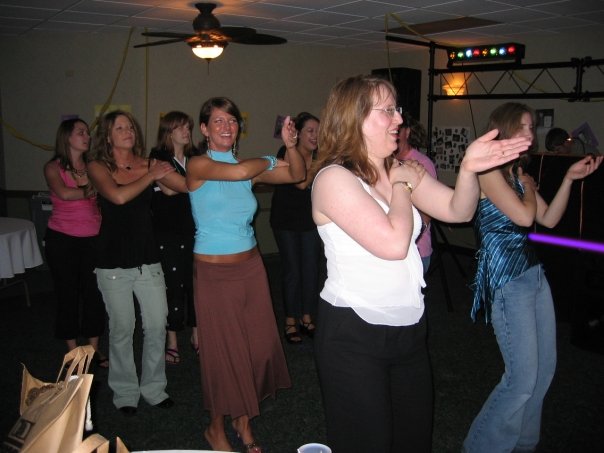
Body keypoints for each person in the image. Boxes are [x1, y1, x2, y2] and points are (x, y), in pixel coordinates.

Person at [310, 75, 531, 453]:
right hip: (353, 333)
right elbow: (394, 243)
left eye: (397, 108)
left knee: (413, 439)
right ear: (354, 118)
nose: (399, 118)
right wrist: (401, 185)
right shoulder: (334, 178)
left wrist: (469, 170)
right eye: (387, 111)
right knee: (366, 443)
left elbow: (458, 210)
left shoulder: (400, 169)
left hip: (409, 329)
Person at [463, 103, 602, 453]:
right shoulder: (489, 172)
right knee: (521, 379)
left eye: (531, 127)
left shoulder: (517, 173)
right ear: (504, 129)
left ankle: (525, 443)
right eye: (523, 126)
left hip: (533, 275)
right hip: (506, 282)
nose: (531, 133)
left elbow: (549, 218)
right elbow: (525, 218)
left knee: (544, 371)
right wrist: (526, 186)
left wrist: (568, 179)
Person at [186, 97, 304, 453]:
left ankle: (242, 419)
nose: (227, 126)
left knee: (258, 347)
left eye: (232, 120)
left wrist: (291, 146)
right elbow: (238, 174)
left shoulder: (246, 166)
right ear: (204, 129)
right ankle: (215, 427)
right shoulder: (198, 164)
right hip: (213, 273)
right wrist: (270, 158)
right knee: (223, 353)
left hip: (251, 267)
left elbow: (297, 175)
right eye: (218, 121)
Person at [88, 110, 184, 416]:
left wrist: (182, 163)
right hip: (112, 261)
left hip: (147, 257)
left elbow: (177, 187)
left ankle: (154, 388)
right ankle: (125, 392)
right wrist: (151, 176)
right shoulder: (98, 166)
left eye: (130, 126)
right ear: (107, 136)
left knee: (156, 324)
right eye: (120, 128)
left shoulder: (148, 164)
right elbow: (118, 197)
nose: (128, 131)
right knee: (122, 328)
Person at [43, 118, 108, 367]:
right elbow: (64, 193)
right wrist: (96, 188)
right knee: (66, 295)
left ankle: (93, 351)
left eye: (87, 132)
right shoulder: (53, 167)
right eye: (81, 132)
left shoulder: (93, 166)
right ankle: (72, 353)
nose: (87, 136)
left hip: (93, 239)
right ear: (67, 137)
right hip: (62, 240)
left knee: (95, 295)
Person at [150, 111, 198, 365]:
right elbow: (168, 190)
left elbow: (176, 186)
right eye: (180, 127)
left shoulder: (195, 156)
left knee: (195, 284)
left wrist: (185, 181)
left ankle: (197, 334)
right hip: (167, 231)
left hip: (194, 229)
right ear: (168, 131)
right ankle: (172, 340)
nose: (186, 131)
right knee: (172, 285)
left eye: (188, 127)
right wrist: (199, 180)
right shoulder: (158, 157)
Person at [270, 111, 322, 344]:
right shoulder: (286, 152)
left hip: (310, 221)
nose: (315, 135)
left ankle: (306, 316)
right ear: (298, 134)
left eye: (318, 131)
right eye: (310, 131)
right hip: (286, 221)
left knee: (311, 269)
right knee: (292, 270)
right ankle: (290, 319)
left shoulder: (320, 156)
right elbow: (301, 183)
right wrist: (320, 164)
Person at [395, 112, 437, 273]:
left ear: (407, 132)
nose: (394, 134)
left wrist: (415, 235)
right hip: (393, 246)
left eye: (398, 130)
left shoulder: (422, 163)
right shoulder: (386, 161)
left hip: (416, 249)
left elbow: (429, 208)